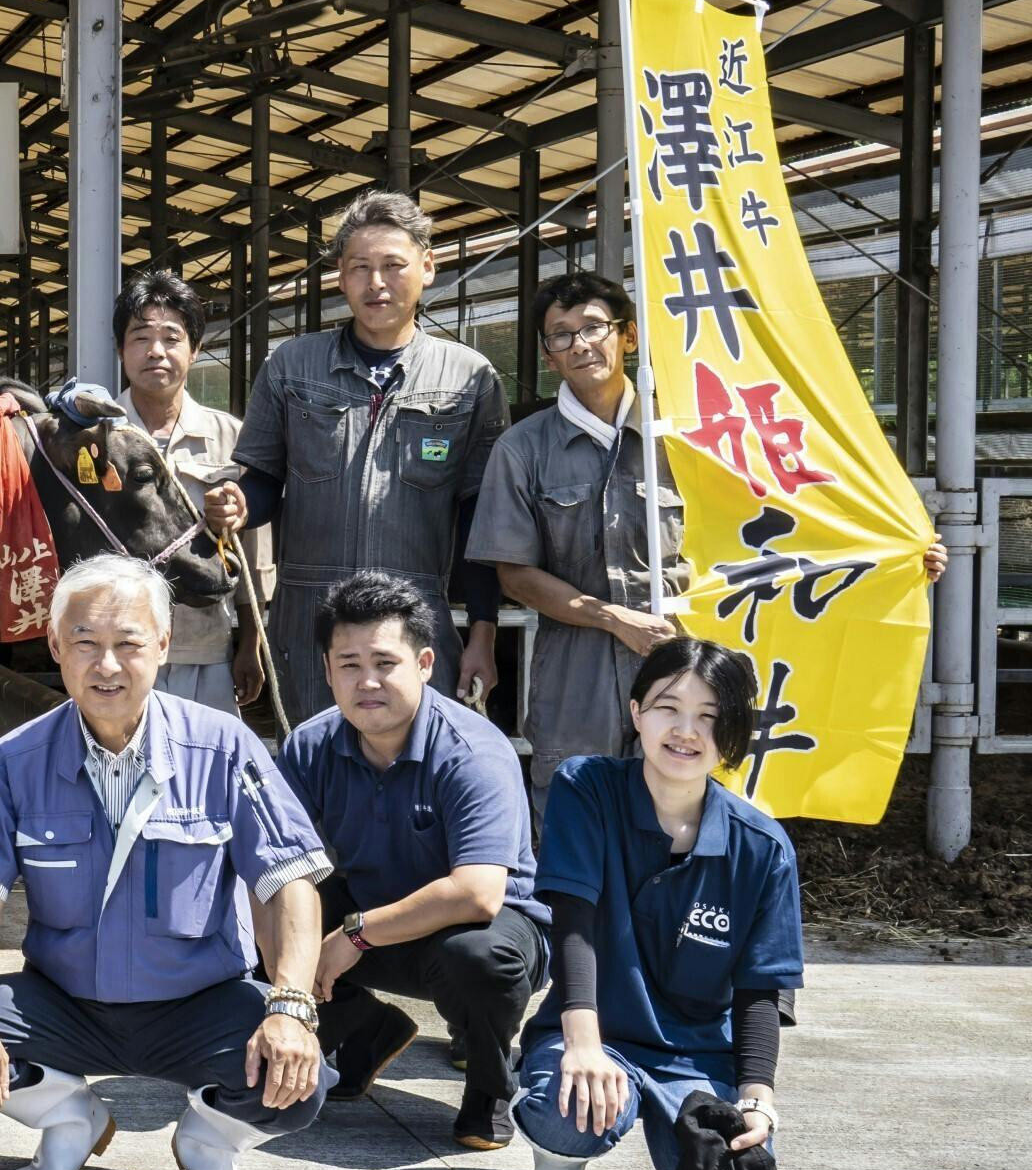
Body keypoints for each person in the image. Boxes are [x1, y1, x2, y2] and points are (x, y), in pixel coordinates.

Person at [0, 555, 330, 1170]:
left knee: (297, 1082)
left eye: (128, 643)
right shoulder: (15, 760)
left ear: (163, 645)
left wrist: (290, 1007)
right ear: (55, 646)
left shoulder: (225, 747)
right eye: (85, 643)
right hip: (66, 1006)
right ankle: (69, 1119)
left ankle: (209, 1143)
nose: (107, 665)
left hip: (198, 1004)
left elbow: (289, 886)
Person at [472, 271, 944, 815]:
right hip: (577, 668)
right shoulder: (523, 449)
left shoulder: (693, 435)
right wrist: (613, 618)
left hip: (689, 654)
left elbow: (790, 515)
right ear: (547, 356)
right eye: (561, 335)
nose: (580, 344)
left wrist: (896, 550)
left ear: (628, 336)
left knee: (686, 806)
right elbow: (515, 574)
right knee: (577, 803)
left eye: (594, 327)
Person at [513, 640, 802, 1170]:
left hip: (696, 1062)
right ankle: (558, 1156)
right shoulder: (587, 787)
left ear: (733, 732)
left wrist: (756, 1097)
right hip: (597, 1034)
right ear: (637, 712)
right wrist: (582, 1045)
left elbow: (762, 989)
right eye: (668, 708)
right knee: (568, 1113)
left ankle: (677, 1152)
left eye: (709, 716)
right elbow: (574, 924)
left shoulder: (763, 847)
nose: (685, 730)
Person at [212, 191, 509, 726]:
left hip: (413, 618)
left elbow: (478, 519)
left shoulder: (469, 379)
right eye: (359, 268)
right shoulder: (293, 366)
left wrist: (483, 631)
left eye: (393, 265)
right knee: (313, 760)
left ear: (427, 267)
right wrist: (238, 504)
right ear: (340, 278)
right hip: (311, 623)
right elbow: (264, 481)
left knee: (411, 763)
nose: (377, 283)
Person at [274, 571, 547, 1152]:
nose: (367, 682)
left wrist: (355, 934)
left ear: (424, 663)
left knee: (480, 956)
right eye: (349, 664)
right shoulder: (310, 745)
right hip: (374, 915)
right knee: (263, 910)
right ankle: (364, 1027)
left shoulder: (473, 752)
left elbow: (478, 894)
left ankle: (489, 1089)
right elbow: (273, 858)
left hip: (481, 930)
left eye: (385, 663)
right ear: (327, 671)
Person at [113, 269, 264, 723]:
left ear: (195, 349)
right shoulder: (94, 438)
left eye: (171, 338)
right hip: (113, 650)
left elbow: (253, 553)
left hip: (204, 646)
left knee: (204, 758)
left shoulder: (230, 437)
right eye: (141, 337)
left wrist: (251, 642)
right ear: (120, 350)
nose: (156, 351)